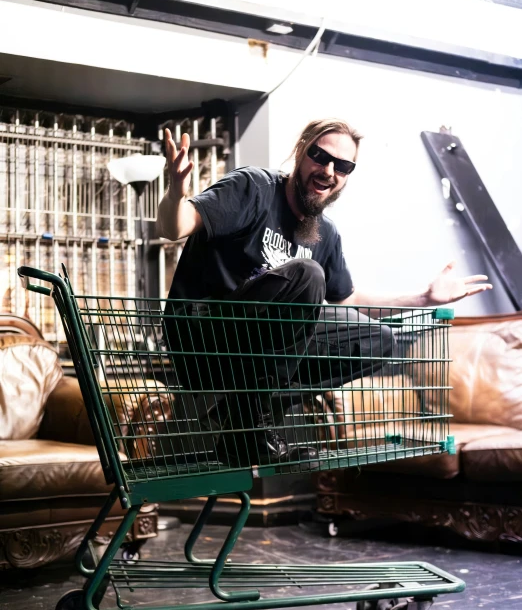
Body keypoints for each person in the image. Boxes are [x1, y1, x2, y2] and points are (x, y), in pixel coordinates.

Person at [157, 118, 492, 469]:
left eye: (343, 166)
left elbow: (348, 301)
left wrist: (423, 298)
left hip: (251, 360)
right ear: (301, 152)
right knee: (307, 275)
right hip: (203, 339)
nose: (329, 170)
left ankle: (242, 413)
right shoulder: (253, 188)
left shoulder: (324, 234)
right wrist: (177, 190)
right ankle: (247, 418)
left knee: (379, 340)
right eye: (320, 156)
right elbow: (174, 226)